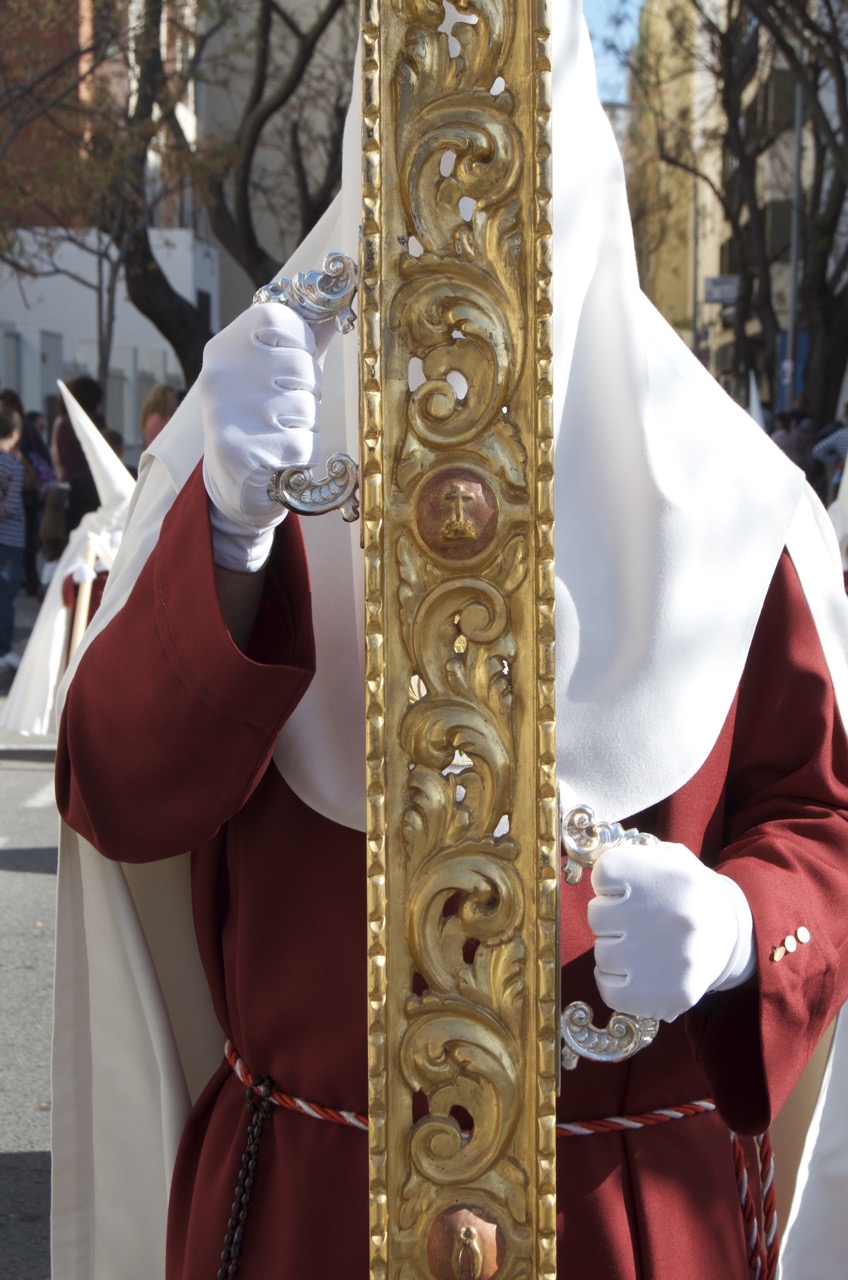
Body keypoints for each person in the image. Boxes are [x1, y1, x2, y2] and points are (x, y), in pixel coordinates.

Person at [52, 4, 848, 1279]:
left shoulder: (735, 506)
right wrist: (228, 538)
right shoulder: (243, 442)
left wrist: (744, 924)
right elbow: (117, 790)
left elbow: (819, 824)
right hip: (311, 1209)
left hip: (629, 1219)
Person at [50, 374, 110, 531]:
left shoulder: (63, 423)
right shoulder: (99, 422)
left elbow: (58, 458)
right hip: (97, 485)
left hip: (73, 486)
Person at [0, 409, 25, 671]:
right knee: (5, 595)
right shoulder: (14, 465)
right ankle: (4, 649)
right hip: (10, 538)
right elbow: (11, 506)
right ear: (15, 433)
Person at [140, 382, 180, 448]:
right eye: (172, 398)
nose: (176, 401)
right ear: (163, 400)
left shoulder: (159, 417)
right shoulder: (156, 419)